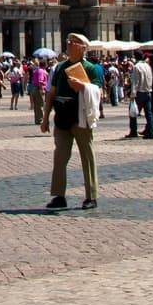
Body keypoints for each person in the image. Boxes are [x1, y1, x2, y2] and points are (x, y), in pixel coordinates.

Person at [41, 33, 103, 211]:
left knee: (87, 156)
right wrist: (45, 119)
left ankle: (91, 195)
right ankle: (59, 195)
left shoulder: (91, 68)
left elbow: (99, 93)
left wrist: (83, 86)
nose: (68, 44)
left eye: (73, 42)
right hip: (61, 117)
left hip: (80, 117)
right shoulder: (60, 68)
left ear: (83, 47)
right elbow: (51, 93)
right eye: (68, 42)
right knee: (59, 157)